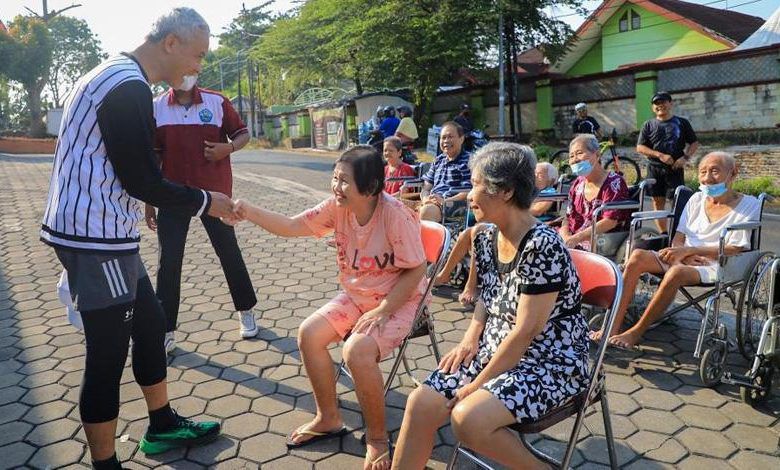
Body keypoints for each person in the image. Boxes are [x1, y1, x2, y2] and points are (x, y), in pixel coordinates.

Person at [39, 8, 229, 468]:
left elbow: (129, 167)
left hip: (108, 233)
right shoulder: (127, 86)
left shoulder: (120, 75)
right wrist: (207, 201)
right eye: (198, 54)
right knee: (107, 353)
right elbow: (142, 179)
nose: (198, 66)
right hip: (95, 237)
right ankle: (106, 463)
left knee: (149, 324)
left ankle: (162, 423)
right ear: (171, 44)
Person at [391, 142, 588, 470]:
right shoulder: (483, 236)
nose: (469, 194)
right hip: (494, 350)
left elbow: (525, 333)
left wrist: (478, 383)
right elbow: (488, 295)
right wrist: (471, 335)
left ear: (507, 191)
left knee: (467, 419)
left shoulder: (542, 247)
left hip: (548, 364)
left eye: (477, 184)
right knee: (420, 402)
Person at [229, 146, 427, 470]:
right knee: (309, 334)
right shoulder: (338, 208)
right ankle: (328, 418)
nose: (336, 187)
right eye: (335, 178)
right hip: (358, 294)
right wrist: (247, 210)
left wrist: (385, 309)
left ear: (372, 187)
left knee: (357, 351)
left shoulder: (394, 215)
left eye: (345, 181)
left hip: (400, 300)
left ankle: (377, 438)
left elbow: (417, 269)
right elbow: (292, 226)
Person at [590, 152, 761, 350]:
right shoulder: (696, 199)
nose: (707, 177)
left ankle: (636, 332)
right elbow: (678, 237)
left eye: (714, 171)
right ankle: (612, 326)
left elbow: (735, 248)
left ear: (733, 173)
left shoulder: (750, 205)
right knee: (637, 257)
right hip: (685, 256)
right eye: (703, 172)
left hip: (717, 263)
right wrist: (684, 253)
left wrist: (689, 252)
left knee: (676, 272)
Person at [146, 81, 258, 353]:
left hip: (215, 196)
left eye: (195, 66)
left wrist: (227, 149)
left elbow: (243, 134)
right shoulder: (157, 106)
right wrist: (150, 202)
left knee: (228, 252)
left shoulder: (216, 102)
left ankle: (246, 310)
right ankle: (166, 329)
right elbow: (153, 159)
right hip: (173, 196)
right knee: (168, 261)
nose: (188, 73)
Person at [636, 91, 699, 233]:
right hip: (655, 169)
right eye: (656, 103)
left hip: (675, 169)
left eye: (663, 102)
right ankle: (663, 234)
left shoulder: (682, 123)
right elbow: (640, 147)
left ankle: (678, 234)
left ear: (670, 103)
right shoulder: (648, 125)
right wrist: (659, 155)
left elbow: (694, 143)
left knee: (677, 203)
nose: (660, 106)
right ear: (653, 107)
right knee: (657, 202)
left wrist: (686, 158)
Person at [560, 134, 630, 251]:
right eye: (571, 156)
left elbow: (610, 221)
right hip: (571, 238)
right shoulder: (577, 184)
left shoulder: (614, 183)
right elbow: (568, 217)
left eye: (579, 153)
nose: (574, 159)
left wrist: (576, 238)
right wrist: (565, 236)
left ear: (597, 155)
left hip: (599, 240)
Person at [417, 121, 472, 222]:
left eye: (450, 137)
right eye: (443, 138)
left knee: (426, 212)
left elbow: (467, 192)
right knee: (398, 209)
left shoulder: (469, 160)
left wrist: (444, 201)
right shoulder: (438, 160)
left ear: (461, 139)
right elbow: (426, 187)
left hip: (454, 204)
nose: (446, 141)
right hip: (432, 202)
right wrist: (425, 199)